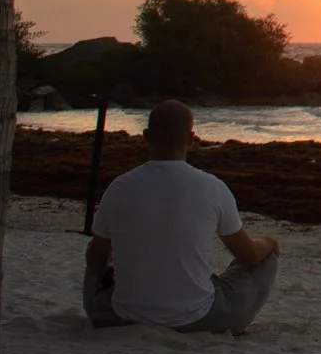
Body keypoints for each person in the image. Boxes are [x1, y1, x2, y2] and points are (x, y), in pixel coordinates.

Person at [84, 100, 280, 333]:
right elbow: (248, 256)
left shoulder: (119, 188)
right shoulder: (212, 187)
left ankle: (103, 309)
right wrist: (269, 243)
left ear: (146, 136)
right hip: (197, 318)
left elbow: (95, 258)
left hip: (123, 315)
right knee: (265, 258)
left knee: (98, 263)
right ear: (191, 139)